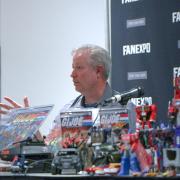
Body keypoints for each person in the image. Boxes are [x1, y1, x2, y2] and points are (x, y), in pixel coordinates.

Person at [0, 44, 121, 113]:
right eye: (73, 68)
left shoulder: (122, 107)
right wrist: (29, 126)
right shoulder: (68, 109)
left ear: (98, 71)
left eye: (79, 67)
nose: (72, 74)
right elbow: (52, 149)